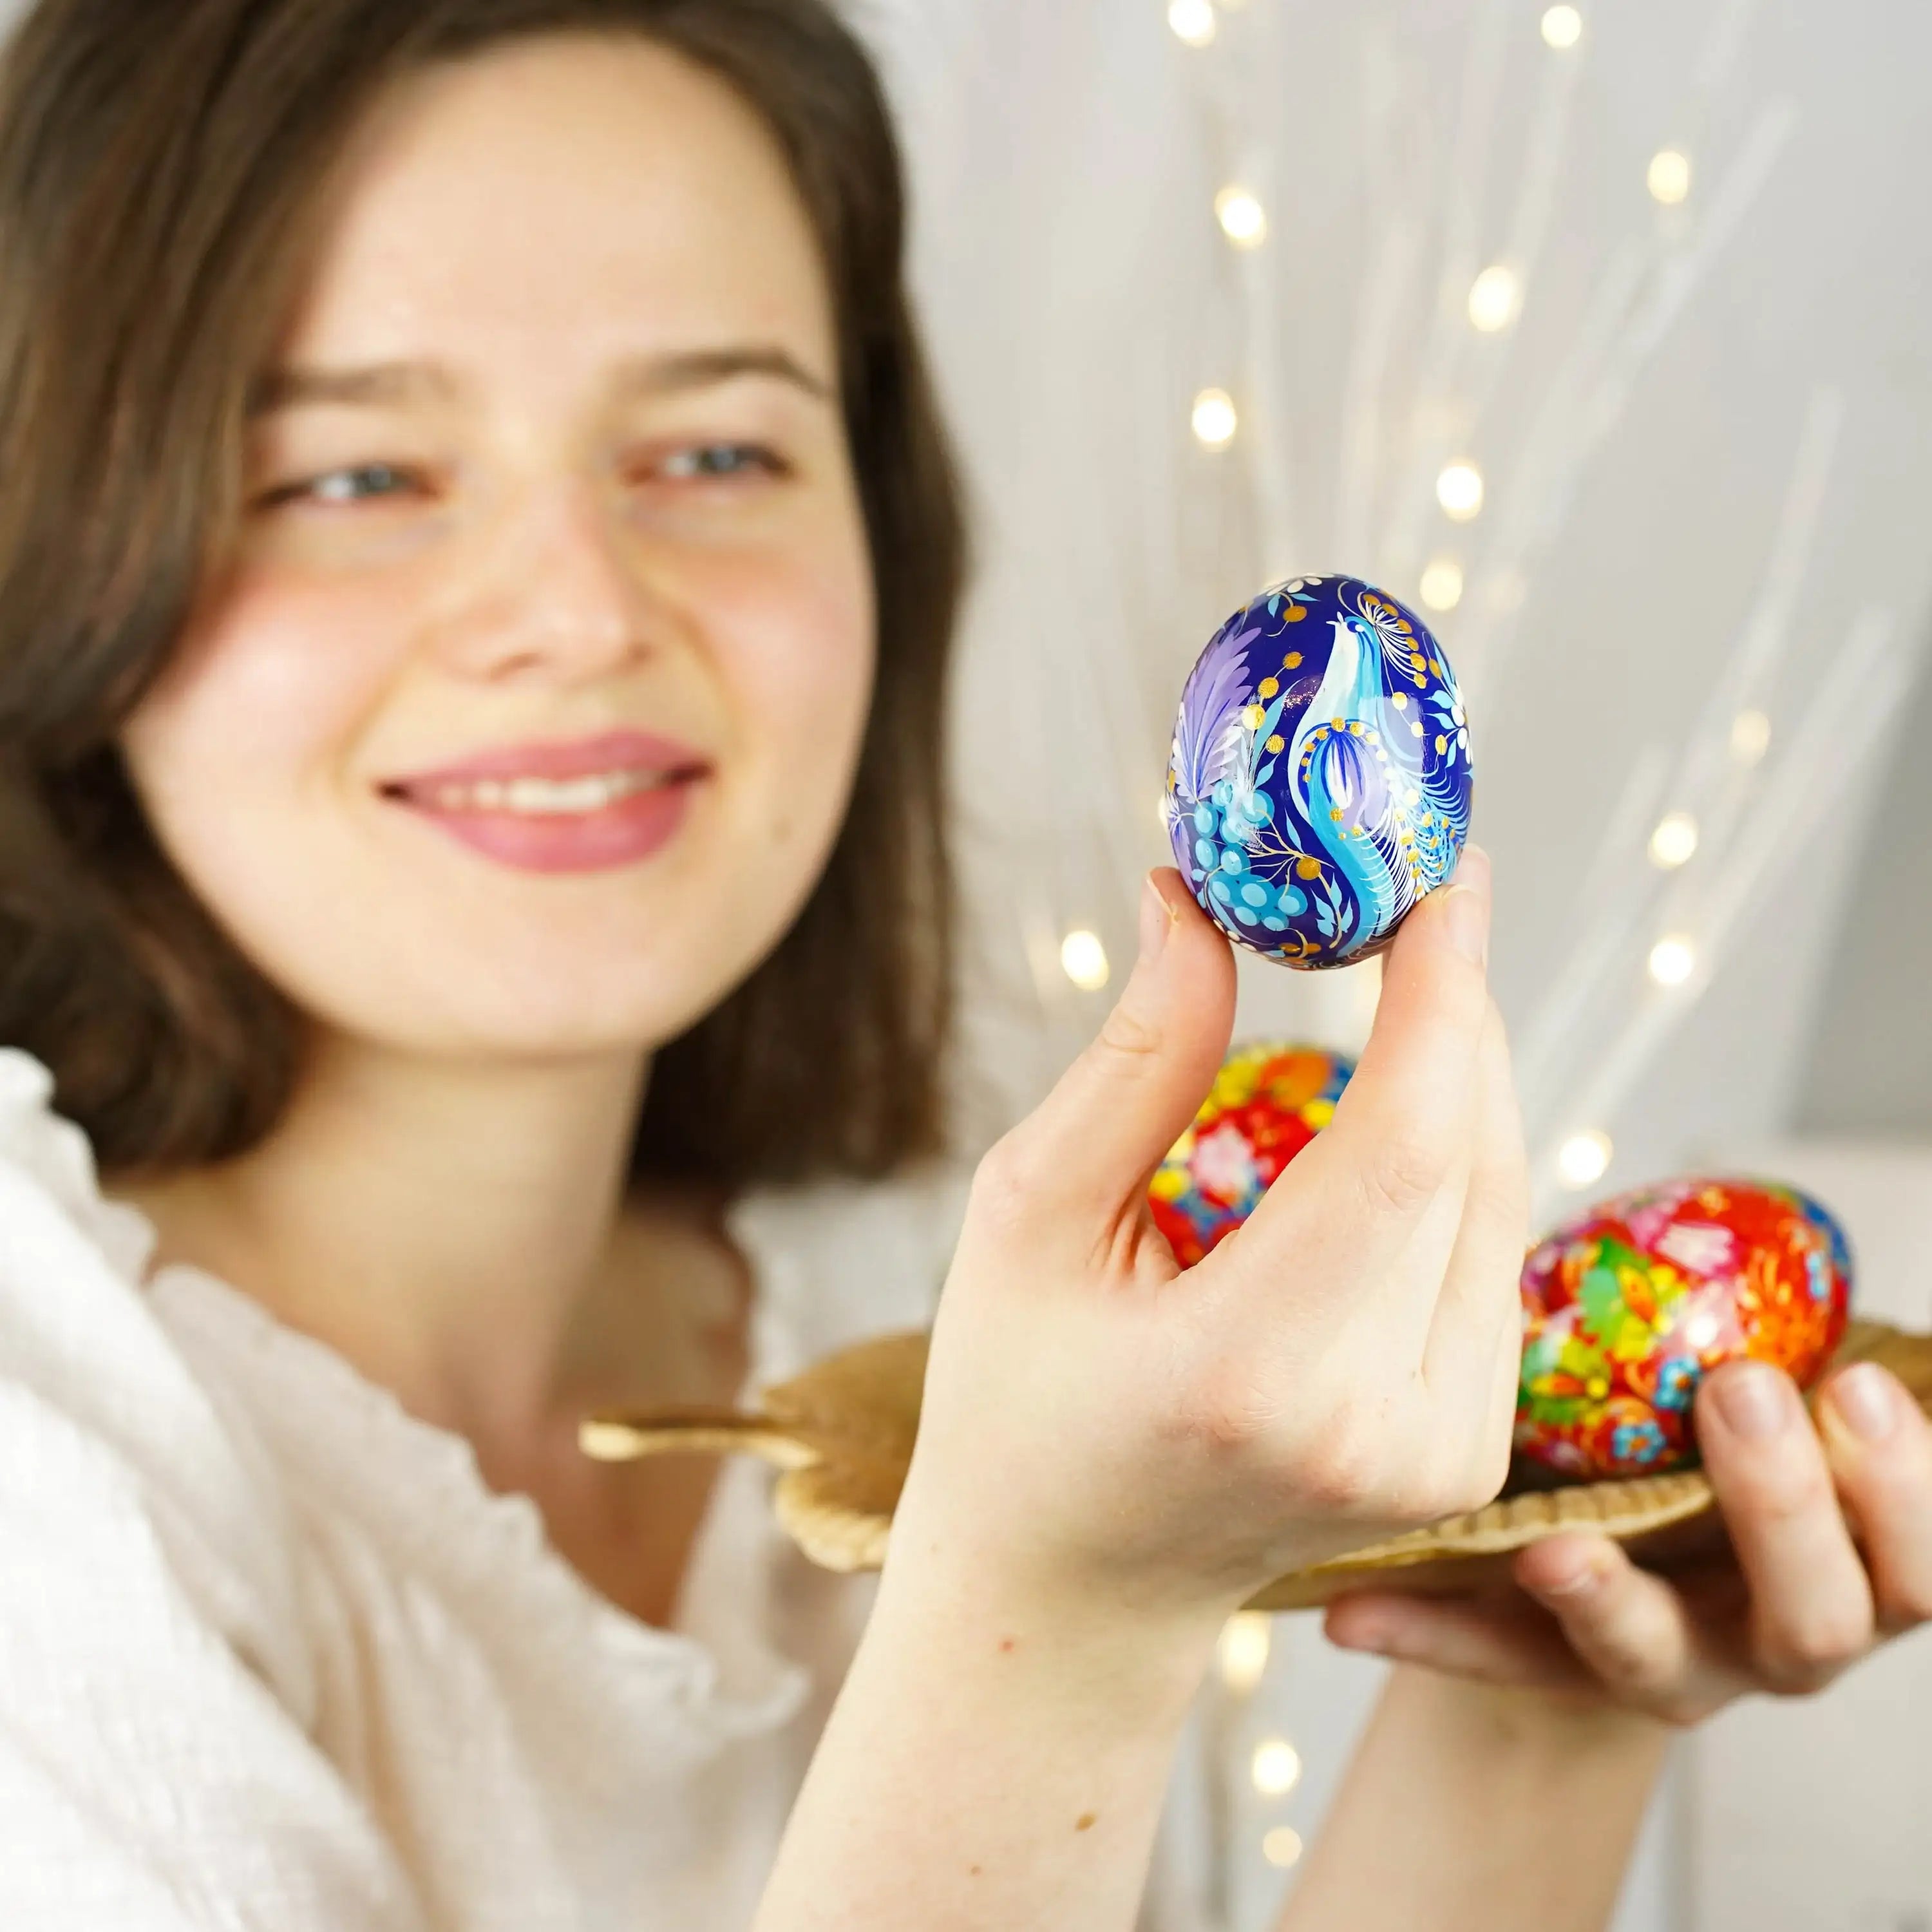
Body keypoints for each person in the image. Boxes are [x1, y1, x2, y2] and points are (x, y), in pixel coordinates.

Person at [0, 1, 1924, 1927]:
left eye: (714, 448)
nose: (577, 612)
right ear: (74, 541)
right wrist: (1057, 1614)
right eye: (354, 476)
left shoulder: (928, 1291)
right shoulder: (48, 1451)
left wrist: (1546, 1671)